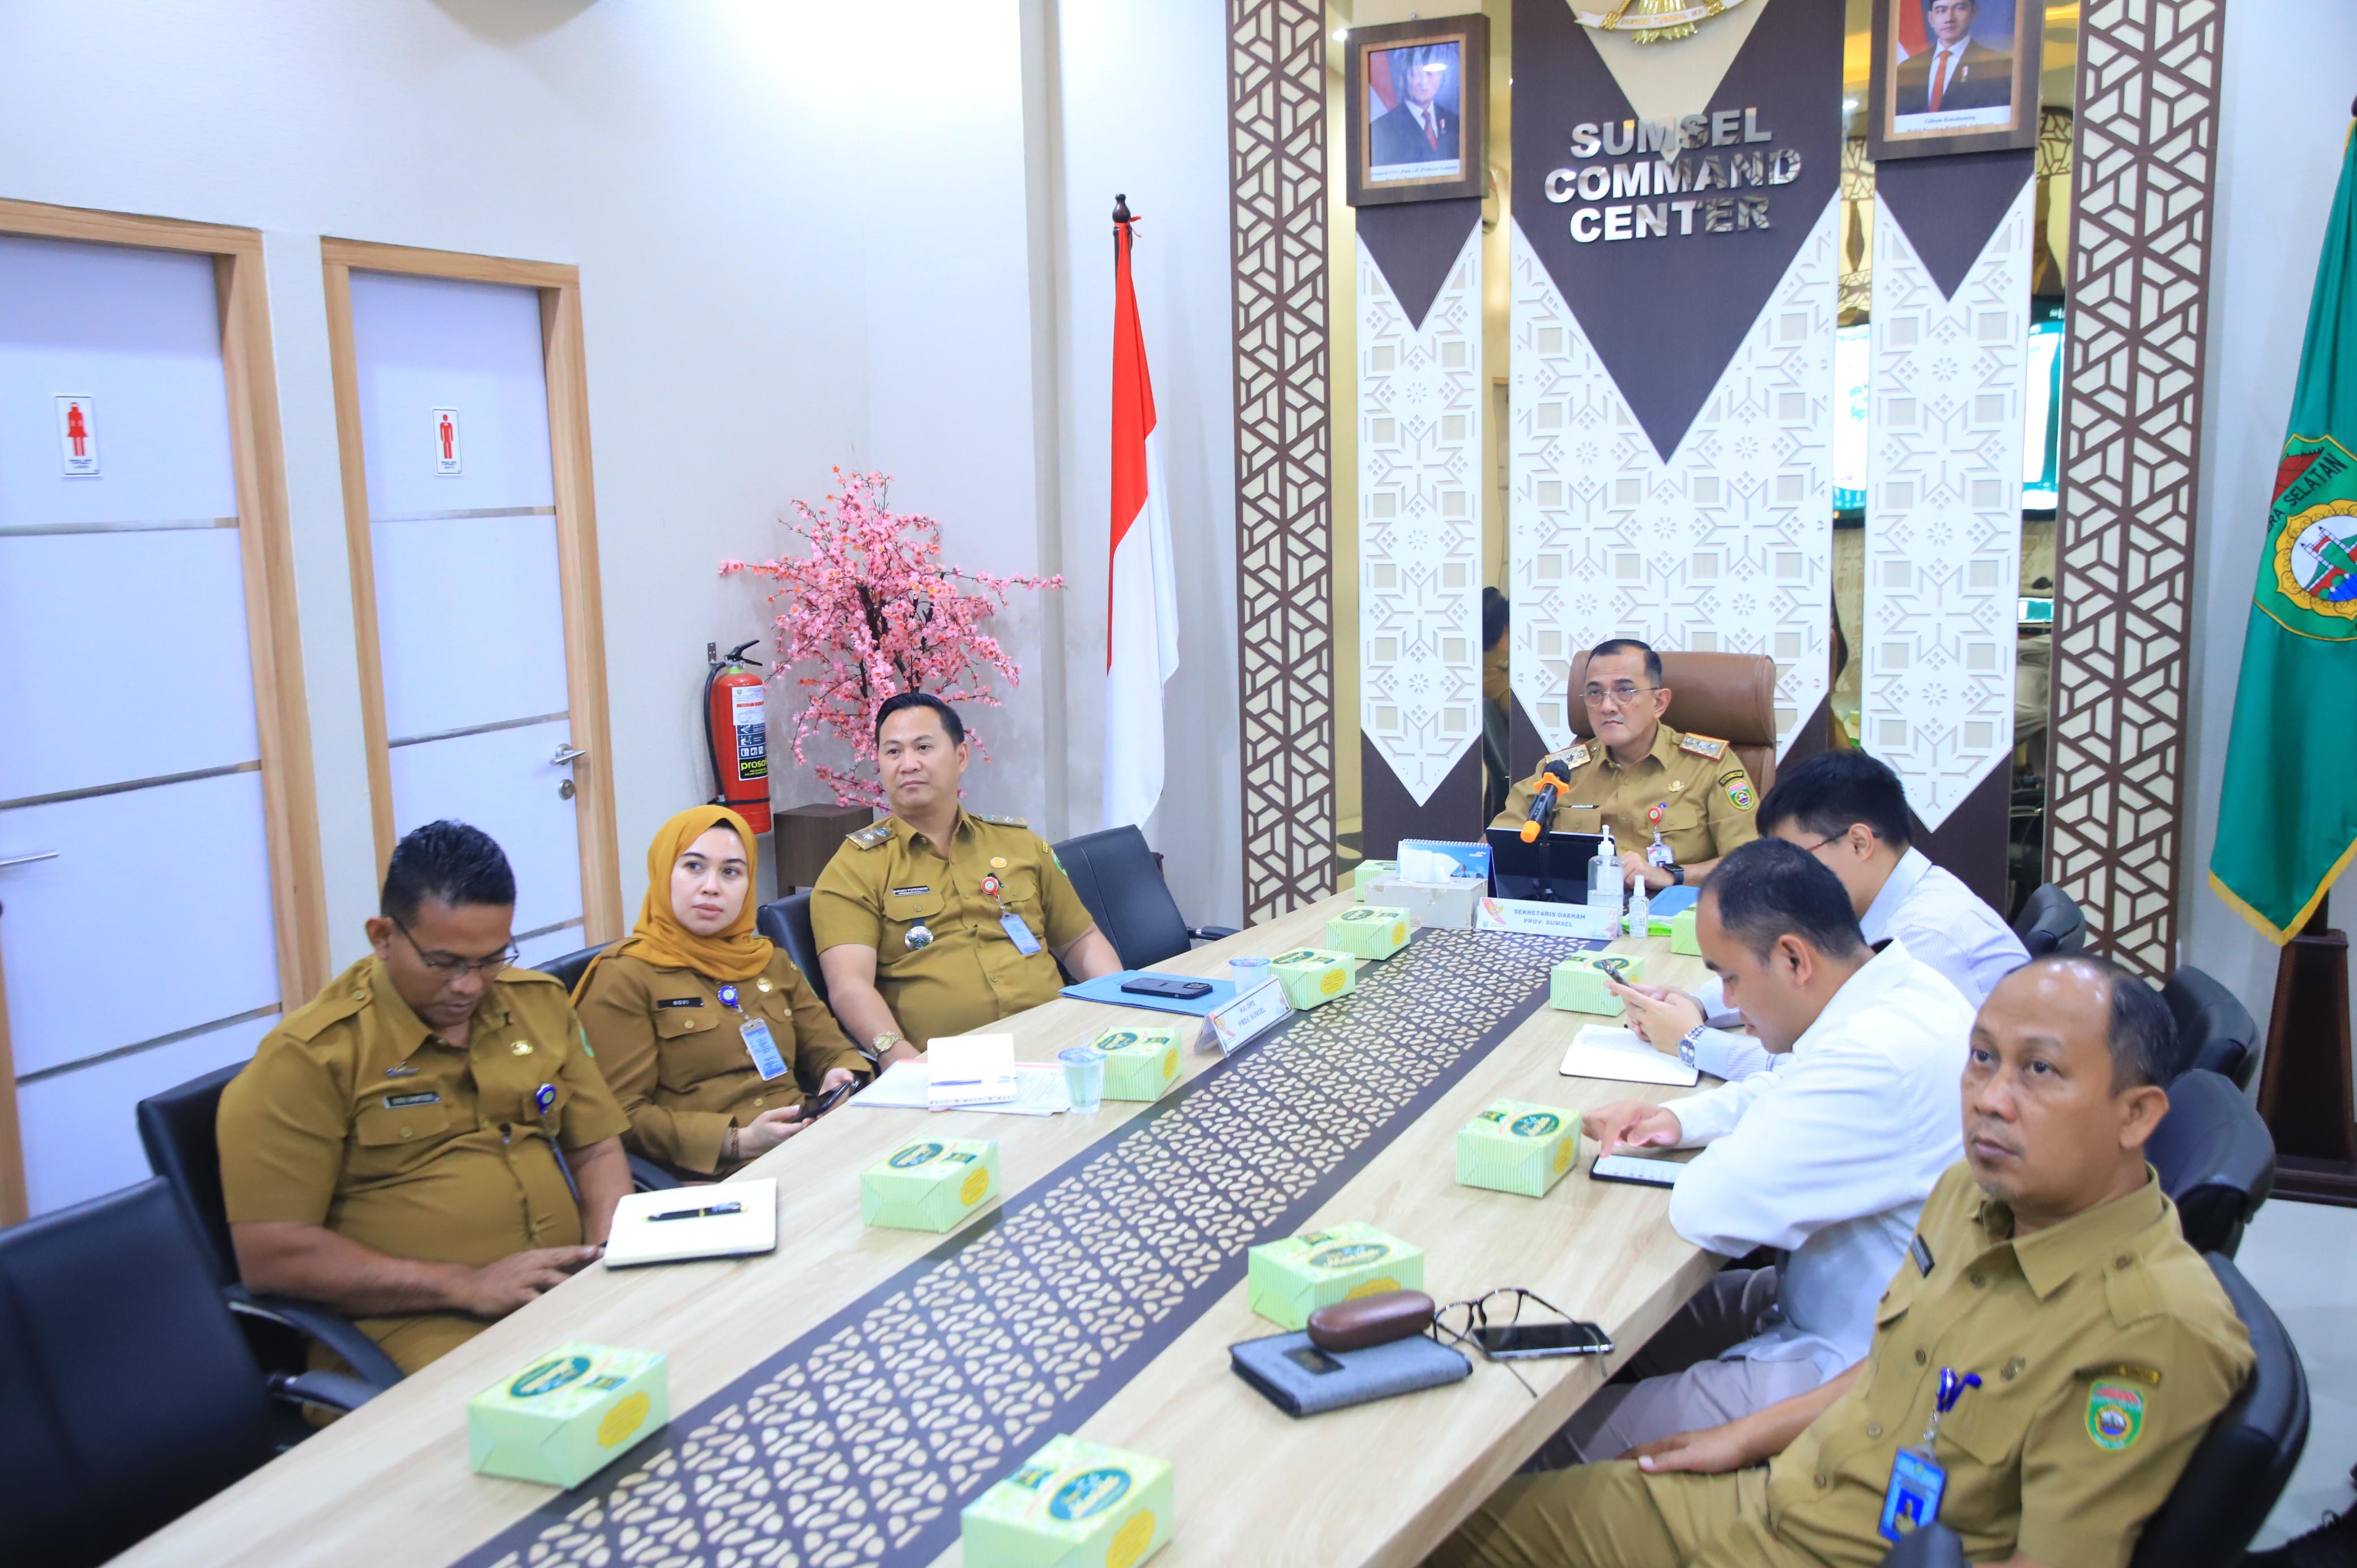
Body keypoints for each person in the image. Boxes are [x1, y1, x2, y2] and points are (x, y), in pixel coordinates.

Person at [1428, 953, 2254, 1568]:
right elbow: (1899, 1363)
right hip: (1773, 1493)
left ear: (2136, 1114)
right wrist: (1743, 1436)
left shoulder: (2152, 1328)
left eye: (2039, 1070)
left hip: (1832, 1550)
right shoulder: (1973, 1195)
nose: (1991, 1099)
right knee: (1449, 1534)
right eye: (1981, 1058)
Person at [1538, 838, 1973, 1464]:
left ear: (1794, 958)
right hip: (1835, 1294)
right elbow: (1790, 1086)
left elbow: (1709, 1207)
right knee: (1606, 1332)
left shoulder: (1873, 1057)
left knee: (1557, 1442)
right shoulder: (1902, 987)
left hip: (1855, 1365)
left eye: (1731, 978)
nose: (1731, 1005)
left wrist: (1737, 1134)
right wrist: (1676, 1118)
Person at [218, 821, 631, 1377]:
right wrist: (466, 1284)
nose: (469, 985)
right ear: (382, 935)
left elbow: (596, 1149)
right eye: (444, 962)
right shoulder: (311, 1058)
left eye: (492, 958)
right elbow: (273, 1255)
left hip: (559, 1292)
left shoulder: (537, 1004)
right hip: (416, 1325)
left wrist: (605, 1256)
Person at [1611, 751, 2028, 1079]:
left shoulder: (1928, 937)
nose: (1787, 875)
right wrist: (1695, 1004)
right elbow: (1800, 987)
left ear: (1860, 843)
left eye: (1796, 856)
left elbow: (1824, 1070)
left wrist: (1692, 1040)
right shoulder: (1873, 901)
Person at [812, 692, 1123, 1061]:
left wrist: (1118, 1011)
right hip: (947, 1068)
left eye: (923, 747)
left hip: (1057, 1043)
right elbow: (850, 984)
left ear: (961, 757)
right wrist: (896, 1057)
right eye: (893, 752)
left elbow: (1080, 941)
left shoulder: (1019, 844)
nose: (908, 764)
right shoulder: (855, 867)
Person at [573, 804, 871, 1179]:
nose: (711, 887)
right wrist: (736, 1141)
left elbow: (833, 1048)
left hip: (809, 1148)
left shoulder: (768, 960)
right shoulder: (626, 975)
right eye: (693, 867)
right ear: (663, 872)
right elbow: (620, 1113)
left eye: (731, 872)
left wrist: (842, 1076)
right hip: (713, 1177)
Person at [1492, 638, 1760, 891]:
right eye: (1595, 693)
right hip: (1582, 911)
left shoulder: (1708, 767)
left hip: (1672, 913)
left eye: (1624, 691)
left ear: (1659, 702)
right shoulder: (1560, 773)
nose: (1607, 706)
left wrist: (1673, 875)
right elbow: (1494, 848)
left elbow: (1751, 863)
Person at [1893, 0, 2014, 118]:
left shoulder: (1998, 66)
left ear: (1974, 12)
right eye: (1941, 10)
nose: (1949, 19)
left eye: (1959, 8)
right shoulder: (1907, 69)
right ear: (1931, 18)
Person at [1369, 48, 1460, 168]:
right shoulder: (1381, 129)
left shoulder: (1456, 122)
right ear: (1401, 79)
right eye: (1415, 75)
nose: (1423, 82)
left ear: (1441, 78)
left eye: (1430, 74)